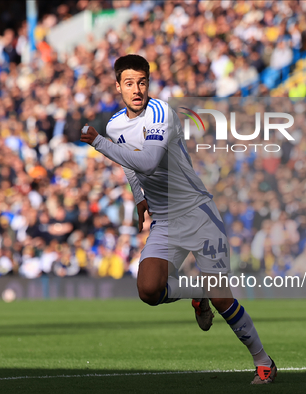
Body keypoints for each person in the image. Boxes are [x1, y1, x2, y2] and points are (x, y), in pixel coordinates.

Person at [80, 54, 276, 385]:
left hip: (198, 214)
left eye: (142, 82)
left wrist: (99, 143)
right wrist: (140, 197)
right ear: (118, 87)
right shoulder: (115, 124)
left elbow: (151, 160)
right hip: (166, 223)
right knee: (148, 289)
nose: (136, 89)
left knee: (223, 298)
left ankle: (263, 361)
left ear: (148, 83)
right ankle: (196, 292)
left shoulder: (160, 113)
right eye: (129, 83)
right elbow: (130, 163)